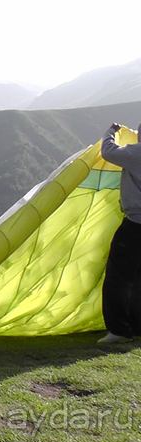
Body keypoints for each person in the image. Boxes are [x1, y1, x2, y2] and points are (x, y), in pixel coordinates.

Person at [98, 122, 141, 343]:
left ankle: (119, 330)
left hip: (135, 224)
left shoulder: (136, 153)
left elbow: (108, 151)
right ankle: (137, 325)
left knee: (119, 277)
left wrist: (112, 132)